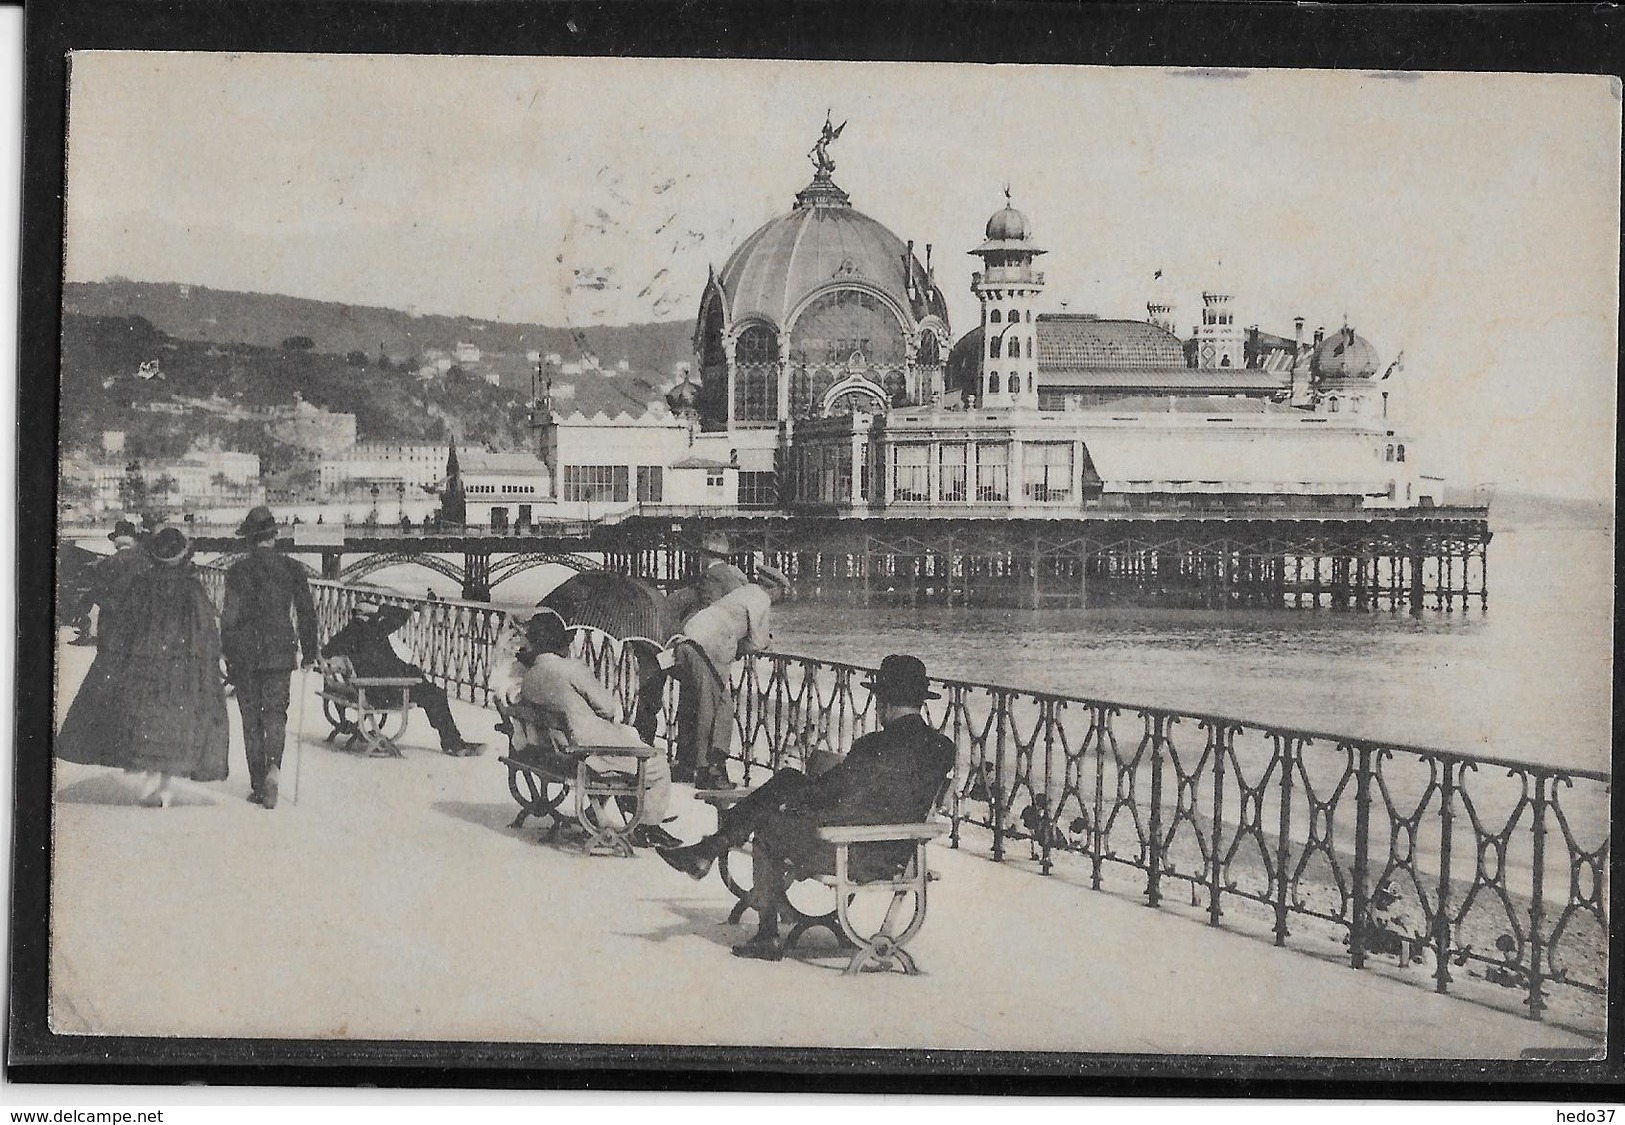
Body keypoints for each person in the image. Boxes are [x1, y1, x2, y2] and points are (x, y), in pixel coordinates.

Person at [659, 654, 957, 961]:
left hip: (851, 853)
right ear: (920, 701)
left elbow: (830, 796)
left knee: (772, 819)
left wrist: (798, 789)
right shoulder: (943, 748)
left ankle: (763, 931)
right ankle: (711, 849)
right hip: (893, 852)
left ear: (885, 702)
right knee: (787, 789)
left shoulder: (872, 745)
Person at [55, 526, 230, 807]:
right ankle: (164, 784)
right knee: (173, 721)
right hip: (180, 665)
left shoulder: (142, 584)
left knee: (149, 719)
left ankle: (151, 779)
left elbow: (124, 627)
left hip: (145, 662)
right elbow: (206, 631)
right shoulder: (192, 588)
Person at [514, 611, 681, 848]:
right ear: (561, 642)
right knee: (657, 763)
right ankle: (647, 827)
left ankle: (598, 815)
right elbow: (609, 708)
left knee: (626, 753)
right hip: (589, 751)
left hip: (557, 751)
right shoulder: (571, 668)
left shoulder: (530, 676)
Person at [220, 505, 320, 809]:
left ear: (250, 540)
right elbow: (306, 613)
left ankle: (258, 782)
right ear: (275, 537)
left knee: (251, 719)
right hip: (280, 652)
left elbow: (229, 617)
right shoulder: (292, 569)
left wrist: (227, 651)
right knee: (276, 714)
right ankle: (274, 768)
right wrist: (310, 652)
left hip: (247, 654)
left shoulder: (237, 571)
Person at [667, 565, 789, 788]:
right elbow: (758, 642)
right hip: (707, 647)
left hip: (689, 637)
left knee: (702, 703)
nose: (783, 598)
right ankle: (709, 772)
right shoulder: (761, 599)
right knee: (715, 709)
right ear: (774, 588)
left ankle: (688, 765)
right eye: (784, 593)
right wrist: (767, 643)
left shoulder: (743, 592)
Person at [321, 602, 484, 756]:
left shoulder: (347, 634)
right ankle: (454, 743)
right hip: (388, 690)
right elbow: (404, 614)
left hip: (372, 689)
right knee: (436, 695)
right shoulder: (375, 629)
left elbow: (325, 652)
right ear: (371, 615)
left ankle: (452, 741)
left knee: (427, 689)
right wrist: (382, 609)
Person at [71, 518, 151, 646]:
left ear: (116, 542)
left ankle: (86, 631)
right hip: (141, 616)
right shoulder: (145, 561)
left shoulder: (108, 563)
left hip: (114, 617)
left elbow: (100, 591)